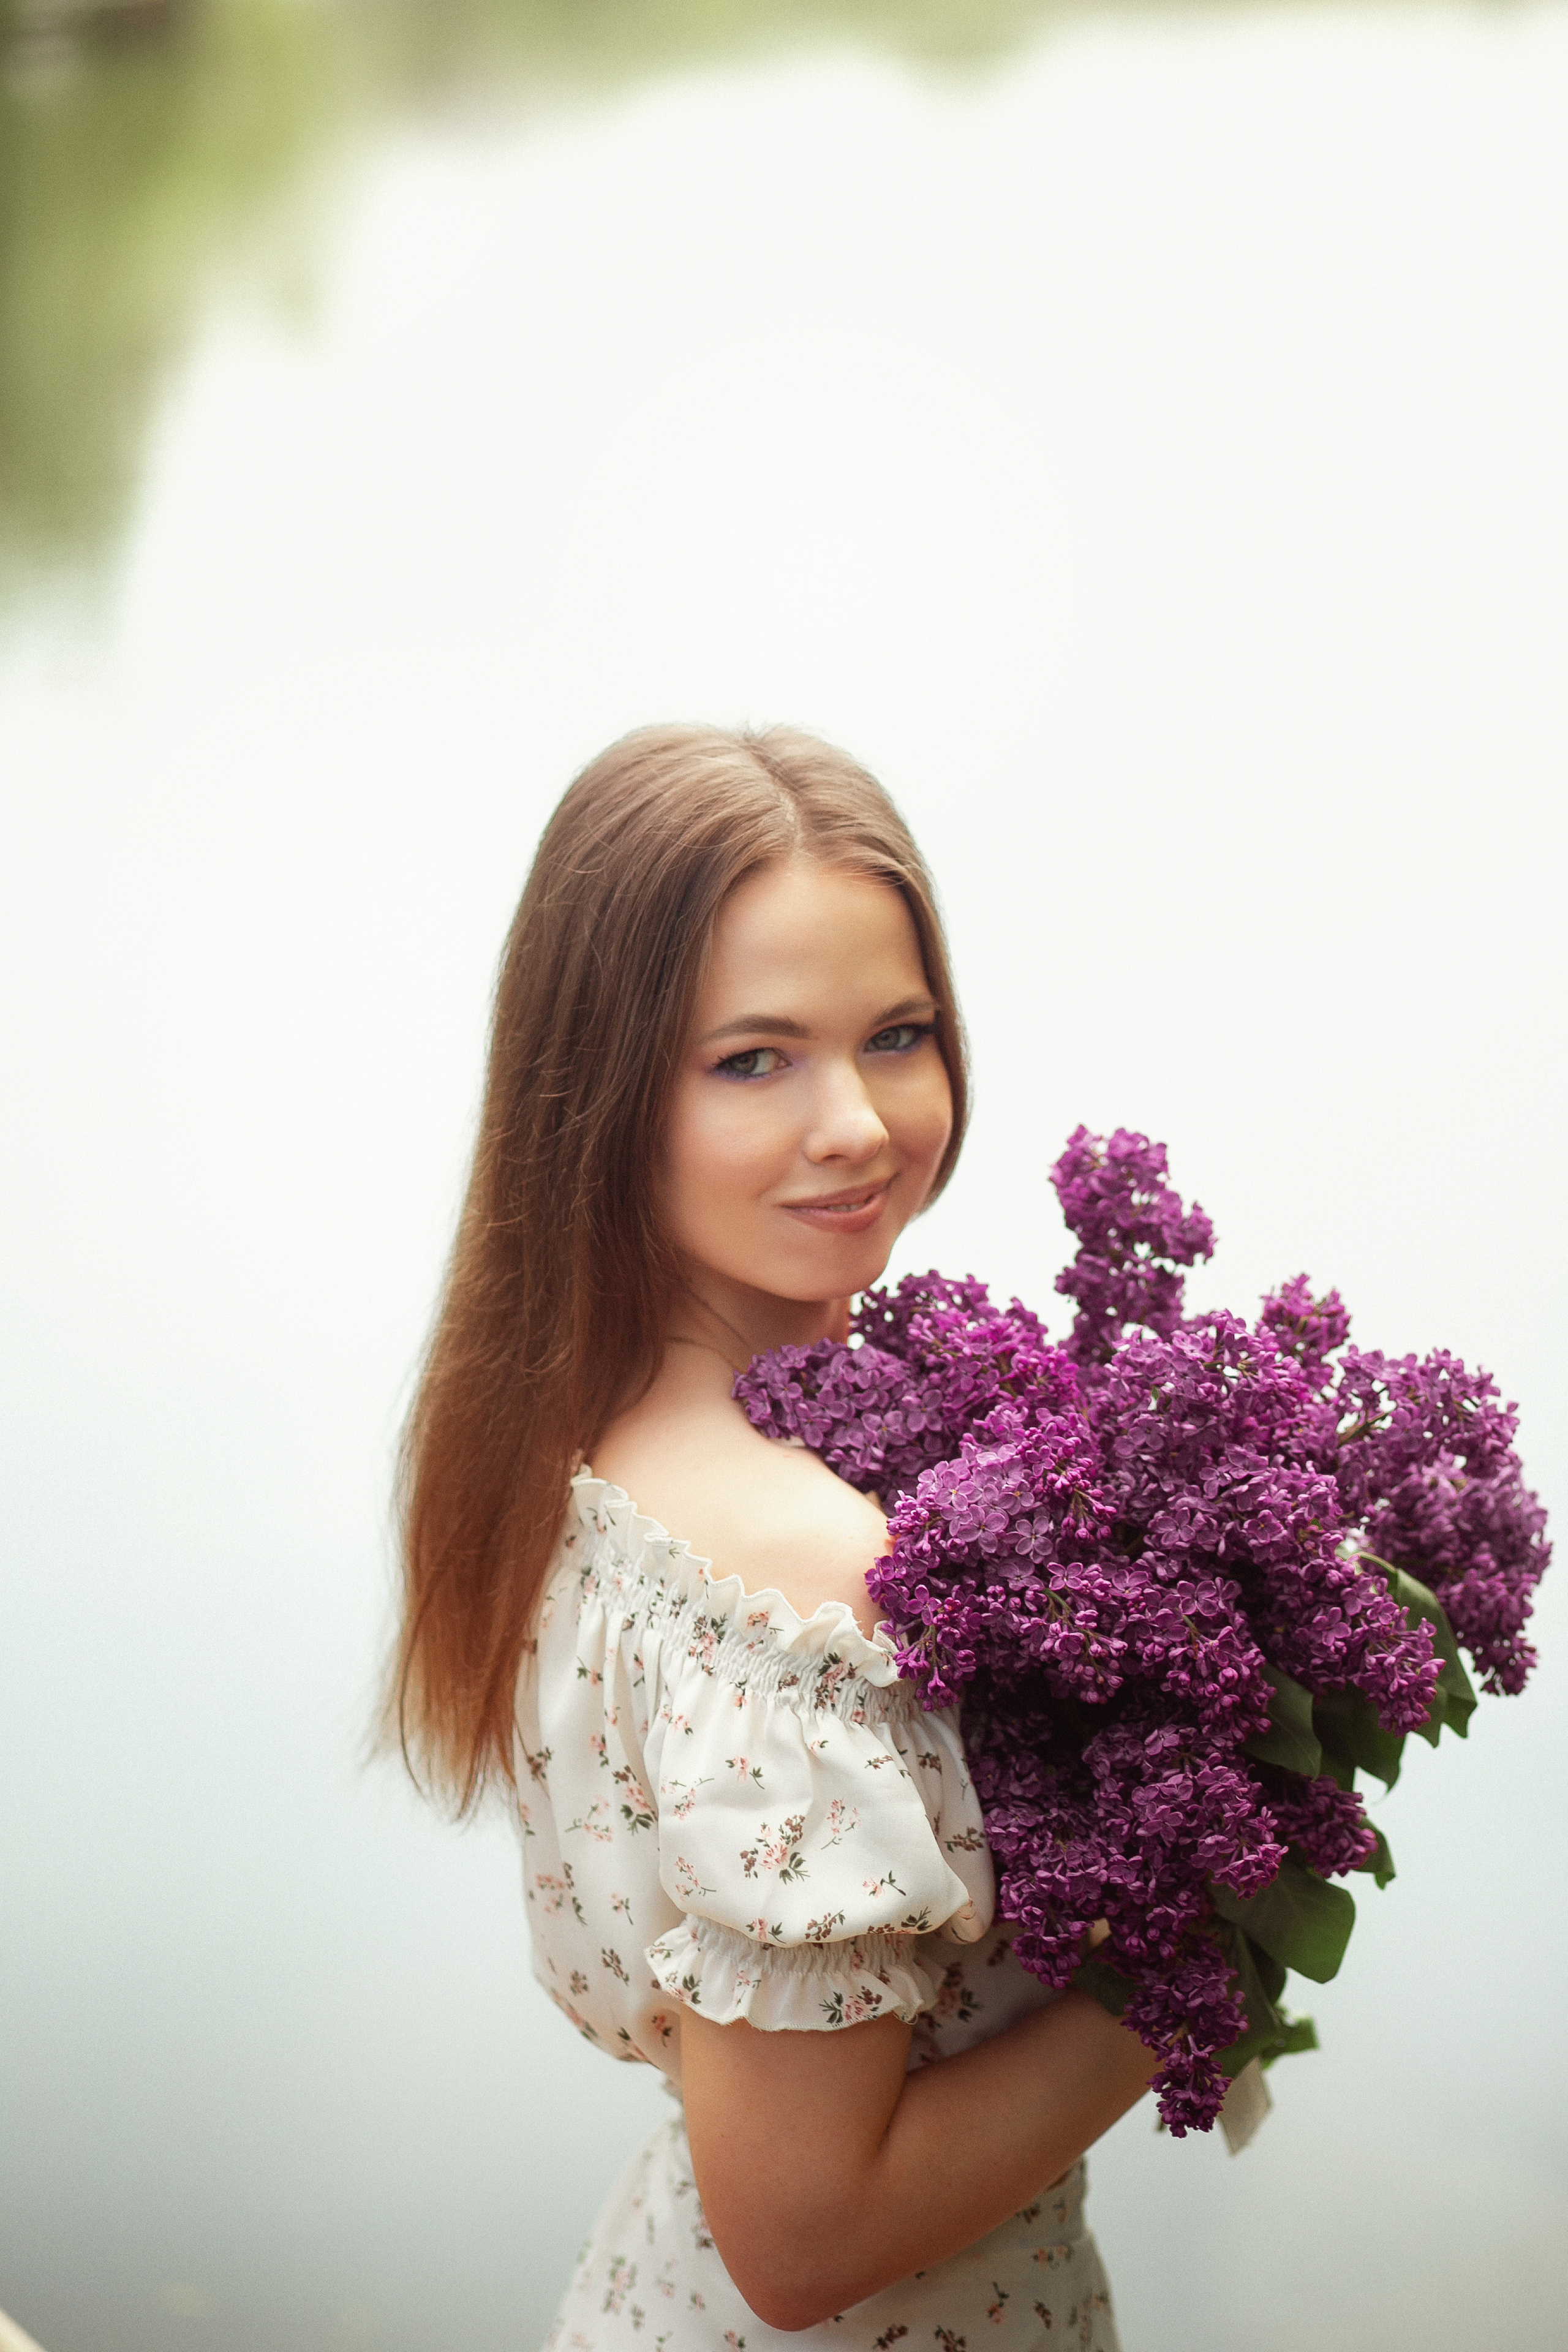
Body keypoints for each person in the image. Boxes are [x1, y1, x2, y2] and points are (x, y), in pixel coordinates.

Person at [393, 724, 1158, 2347]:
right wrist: (1192, 1974)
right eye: (755, 1059)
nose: (860, 1127)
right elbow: (807, 2239)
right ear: (603, 1099)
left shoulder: (564, 1432)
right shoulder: (799, 1573)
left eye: (897, 1035)